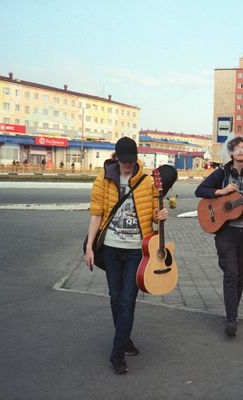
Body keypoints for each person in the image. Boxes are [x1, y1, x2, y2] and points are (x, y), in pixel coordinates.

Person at [84, 137, 168, 374]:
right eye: (124, 162)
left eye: (131, 161)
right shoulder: (103, 179)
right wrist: (89, 247)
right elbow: (96, 215)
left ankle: (117, 353)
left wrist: (160, 215)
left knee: (127, 300)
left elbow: (153, 216)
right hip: (110, 248)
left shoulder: (147, 181)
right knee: (115, 297)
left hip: (136, 250)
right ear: (116, 158)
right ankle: (125, 340)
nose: (128, 166)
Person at [195, 136, 243, 337]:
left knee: (241, 273)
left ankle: (232, 311)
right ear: (231, 153)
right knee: (231, 272)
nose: (241, 151)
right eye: (237, 148)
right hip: (225, 231)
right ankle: (231, 319)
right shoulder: (222, 173)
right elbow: (200, 190)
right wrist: (221, 191)